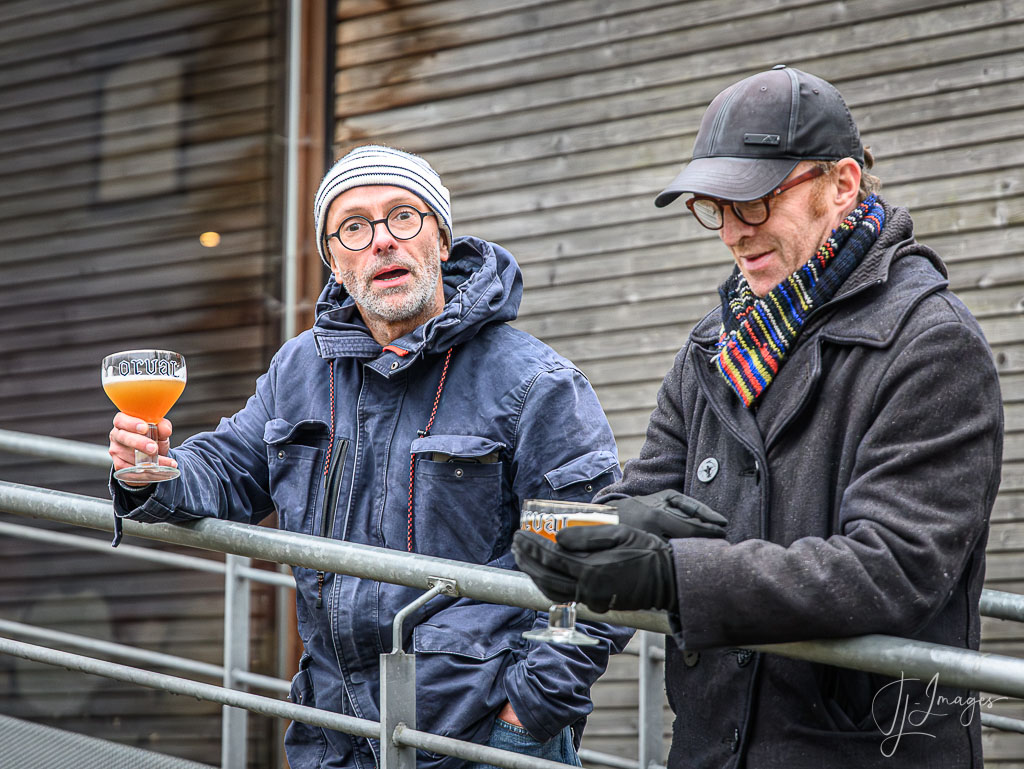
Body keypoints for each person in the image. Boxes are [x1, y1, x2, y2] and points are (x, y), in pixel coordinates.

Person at [513, 65, 1004, 768]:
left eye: (754, 202)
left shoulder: (931, 344)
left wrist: (673, 577)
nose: (733, 234)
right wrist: (606, 528)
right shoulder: (713, 346)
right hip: (711, 748)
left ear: (842, 184)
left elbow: (894, 568)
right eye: (715, 208)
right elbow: (643, 488)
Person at [108, 145, 636, 769]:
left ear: (442, 240)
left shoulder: (535, 383)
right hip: (332, 732)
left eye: (403, 217)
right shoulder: (300, 369)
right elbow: (228, 467)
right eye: (354, 227)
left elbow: (596, 565)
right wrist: (156, 470)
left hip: (475, 736)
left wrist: (529, 714)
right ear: (334, 261)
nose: (382, 240)